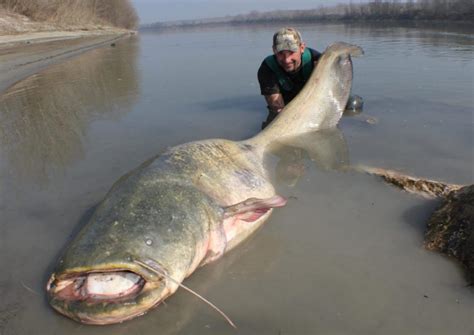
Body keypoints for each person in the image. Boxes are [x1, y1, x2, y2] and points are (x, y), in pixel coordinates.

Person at [257, 27, 321, 129]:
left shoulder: (317, 61)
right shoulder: (268, 68)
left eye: (291, 52)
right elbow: (278, 109)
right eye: (281, 53)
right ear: (274, 50)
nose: (287, 60)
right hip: (286, 103)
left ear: (302, 48)